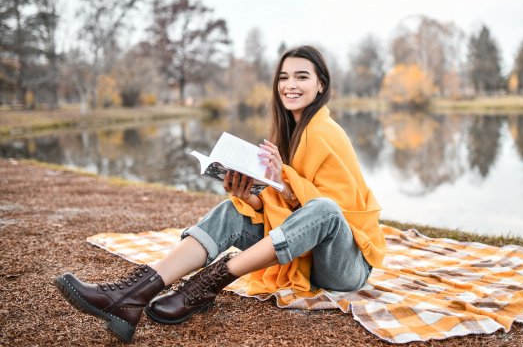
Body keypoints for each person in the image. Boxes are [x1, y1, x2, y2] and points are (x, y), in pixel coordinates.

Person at [54, 45, 386, 342]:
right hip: (305, 252)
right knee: (232, 210)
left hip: (346, 264)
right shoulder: (289, 133)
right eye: (284, 77)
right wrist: (252, 194)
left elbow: (335, 215)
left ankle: (209, 282)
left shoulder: (327, 132)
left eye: (302, 77)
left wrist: (281, 178)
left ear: (321, 85)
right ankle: (133, 295)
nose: (290, 85)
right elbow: (287, 211)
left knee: (326, 209)